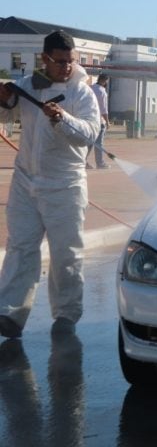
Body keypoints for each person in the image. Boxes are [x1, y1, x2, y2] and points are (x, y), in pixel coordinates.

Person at [0, 30, 101, 338]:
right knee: (20, 247)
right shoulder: (27, 87)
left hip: (65, 184)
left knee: (66, 253)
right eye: (60, 62)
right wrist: (4, 101)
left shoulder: (81, 93)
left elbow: (90, 134)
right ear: (44, 59)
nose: (66, 67)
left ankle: (66, 315)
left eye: (70, 61)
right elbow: (7, 114)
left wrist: (62, 118)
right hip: (26, 182)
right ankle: (10, 313)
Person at [86, 74, 110, 169]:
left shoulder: (90, 88)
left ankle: (83, 161)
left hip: (88, 119)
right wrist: (107, 121)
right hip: (99, 121)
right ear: (105, 81)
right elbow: (104, 109)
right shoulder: (102, 92)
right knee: (99, 143)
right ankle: (100, 163)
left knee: (89, 142)